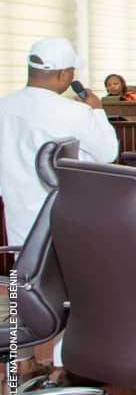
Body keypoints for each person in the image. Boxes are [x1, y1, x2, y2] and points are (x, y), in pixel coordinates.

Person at [0, 37, 119, 246]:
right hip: (61, 219)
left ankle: (15, 281)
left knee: (19, 274)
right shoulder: (76, 112)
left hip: (13, 218)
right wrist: (98, 110)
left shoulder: (4, 106)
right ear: (63, 74)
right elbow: (108, 153)